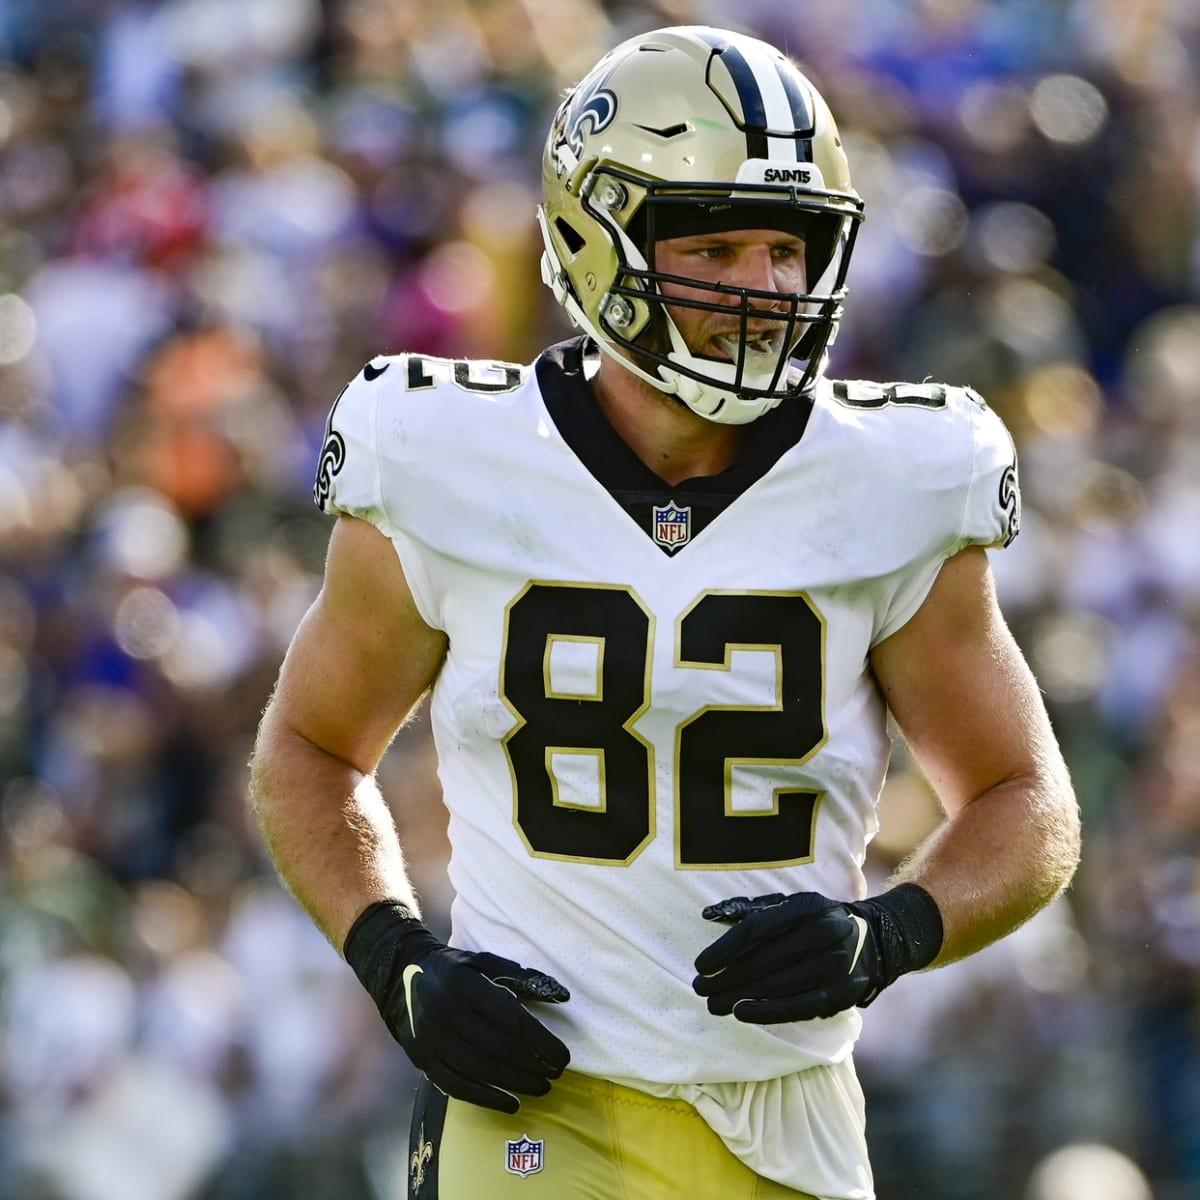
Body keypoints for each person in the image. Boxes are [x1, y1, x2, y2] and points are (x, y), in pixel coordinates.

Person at [249, 24, 1081, 1200]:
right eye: (721, 244)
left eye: (790, 247)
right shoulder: (446, 459)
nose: (768, 285)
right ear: (598, 240)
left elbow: (1026, 800)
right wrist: (394, 957)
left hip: (787, 1115)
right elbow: (309, 750)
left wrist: (890, 931)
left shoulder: (899, 479)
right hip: (534, 1106)